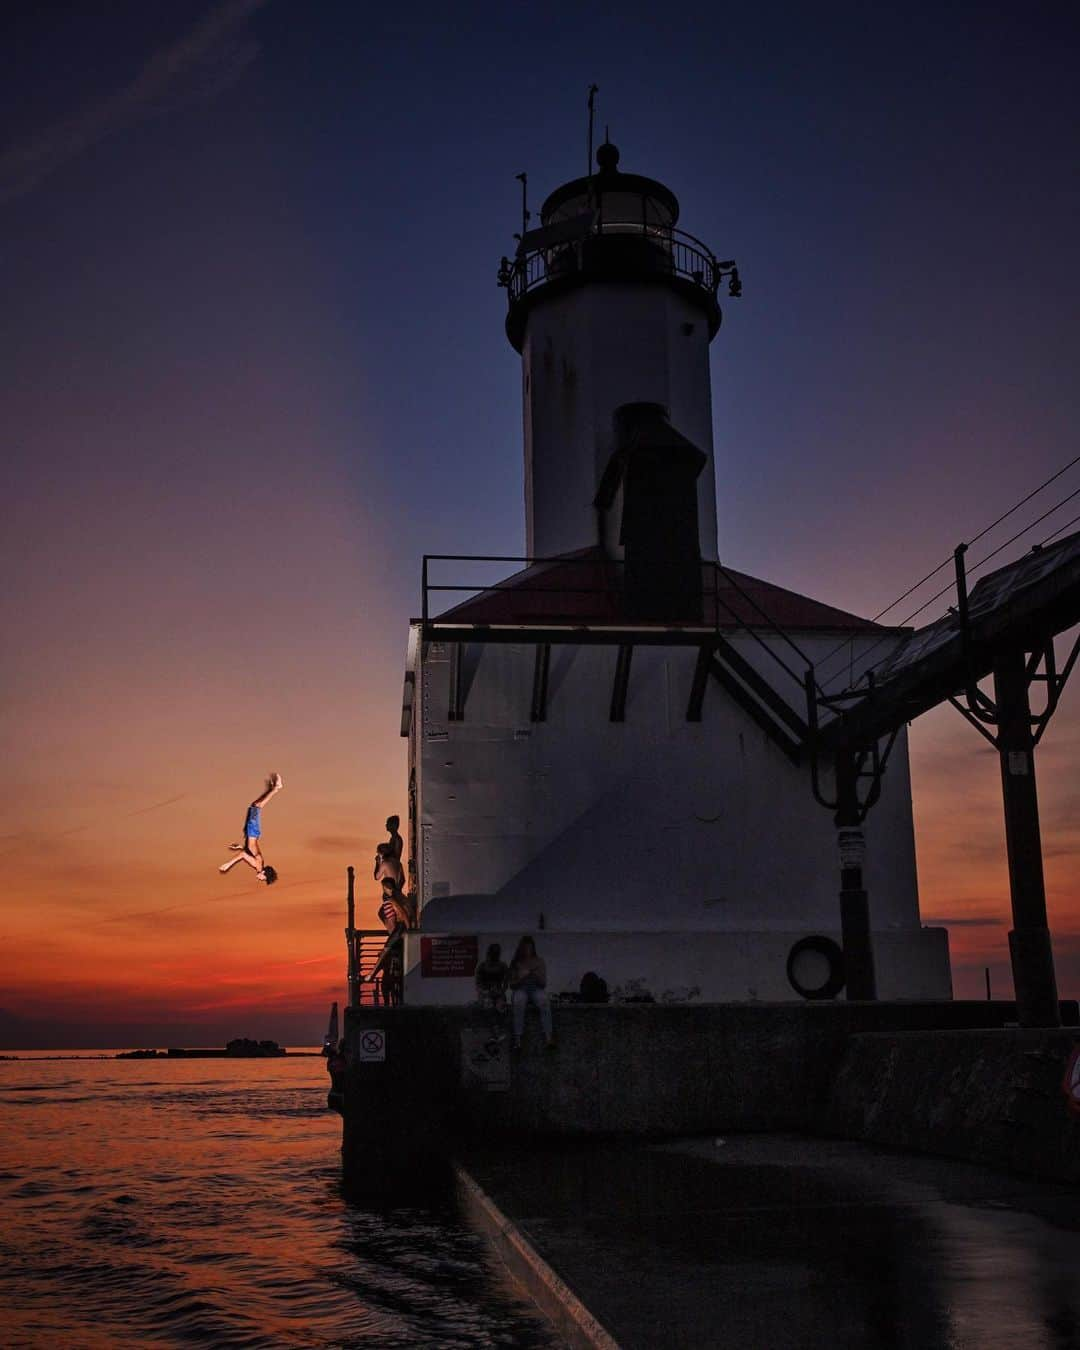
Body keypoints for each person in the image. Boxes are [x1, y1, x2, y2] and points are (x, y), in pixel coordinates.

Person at [218, 773, 283, 884]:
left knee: (255, 805)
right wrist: (229, 864)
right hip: (252, 833)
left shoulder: (258, 865)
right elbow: (244, 855)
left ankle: (273, 789)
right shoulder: (258, 866)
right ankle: (276, 788)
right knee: (257, 806)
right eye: (264, 879)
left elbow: (248, 851)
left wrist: (240, 847)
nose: (261, 880)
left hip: (253, 834)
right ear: (264, 874)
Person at [508, 935, 554, 1051]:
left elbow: (543, 984)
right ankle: (518, 1039)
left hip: (536, 988)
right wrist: (522, 977)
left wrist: (534, 974)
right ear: (521, 948)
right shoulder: (516, 962)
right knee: (518, 1001)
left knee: (544, 1001)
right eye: (525, 948)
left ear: (533, 948)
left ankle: (548, 1038)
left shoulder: (539, 961)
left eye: (530, 947)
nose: (528, 950)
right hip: (521, 989)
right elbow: (512, 985)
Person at [475, 943, 509, 1013]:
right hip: (485, 993)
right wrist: (484, 992)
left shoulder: (503, 966)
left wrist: (500, 992)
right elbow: (478, 983)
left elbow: (506, 983)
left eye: (496, 953)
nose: (495, 955)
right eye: (493, 952)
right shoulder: (482, 966)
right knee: (487, 1005)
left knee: (501, 1008)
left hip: (498, 992)